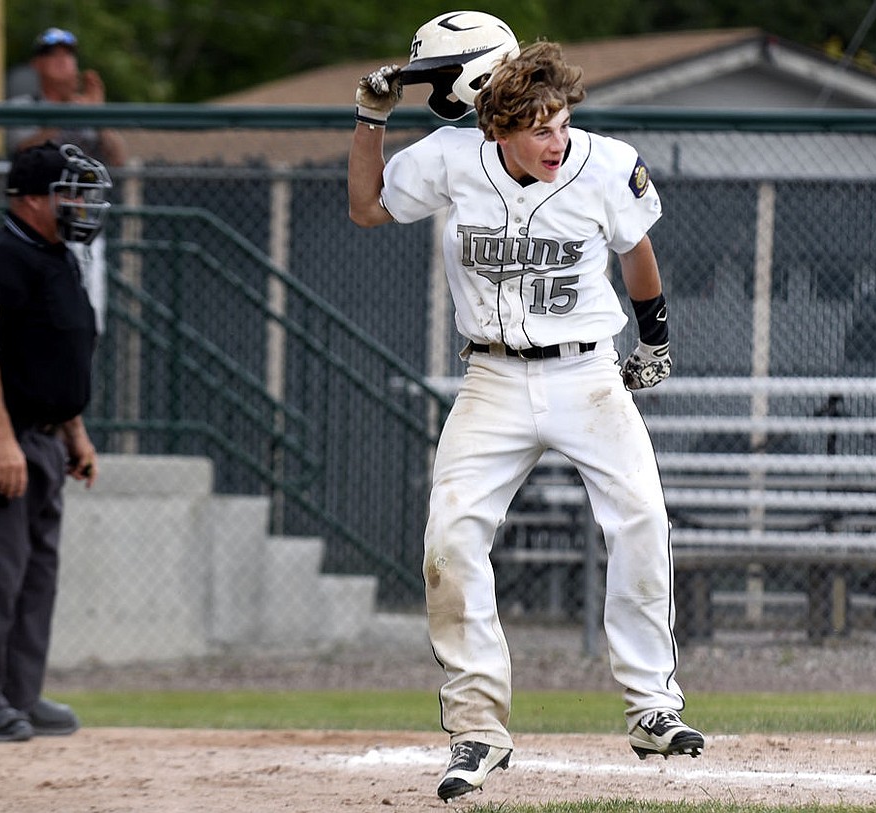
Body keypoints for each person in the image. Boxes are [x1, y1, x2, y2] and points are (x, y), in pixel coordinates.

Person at [348, 11, 704, 801]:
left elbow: (635, 251)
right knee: (449, 537)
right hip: (494, 380)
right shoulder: (453, 155)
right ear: (495, 124)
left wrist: (653, 341)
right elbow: (367, 207)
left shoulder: (607, 166)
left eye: (562, 121)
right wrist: (372, 120)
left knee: (642, 516)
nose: (555, 139)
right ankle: (477, 727)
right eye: (537, 126)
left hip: (586, 374)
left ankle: (652, 706)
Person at [0, 141, 110, 742]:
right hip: (4, 443)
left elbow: (61, 356)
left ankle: (17, 694)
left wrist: (76, 433)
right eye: (68, 192)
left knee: (35, 574)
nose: (79, 205)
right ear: (32, 199)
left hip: (46, 440)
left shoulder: (57, 259)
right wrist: (1, 441)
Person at [7, 27, 126, 334]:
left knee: (86, 320)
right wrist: (66, 113)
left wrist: (99, 116)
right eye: (52, 55)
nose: (62, 62)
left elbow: (118, 158)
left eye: (68, 55)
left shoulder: (89, 107)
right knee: (34, 320)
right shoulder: (26, 104)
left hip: (80, 227)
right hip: (32, 226)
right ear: (37, 64)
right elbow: (21, 147)